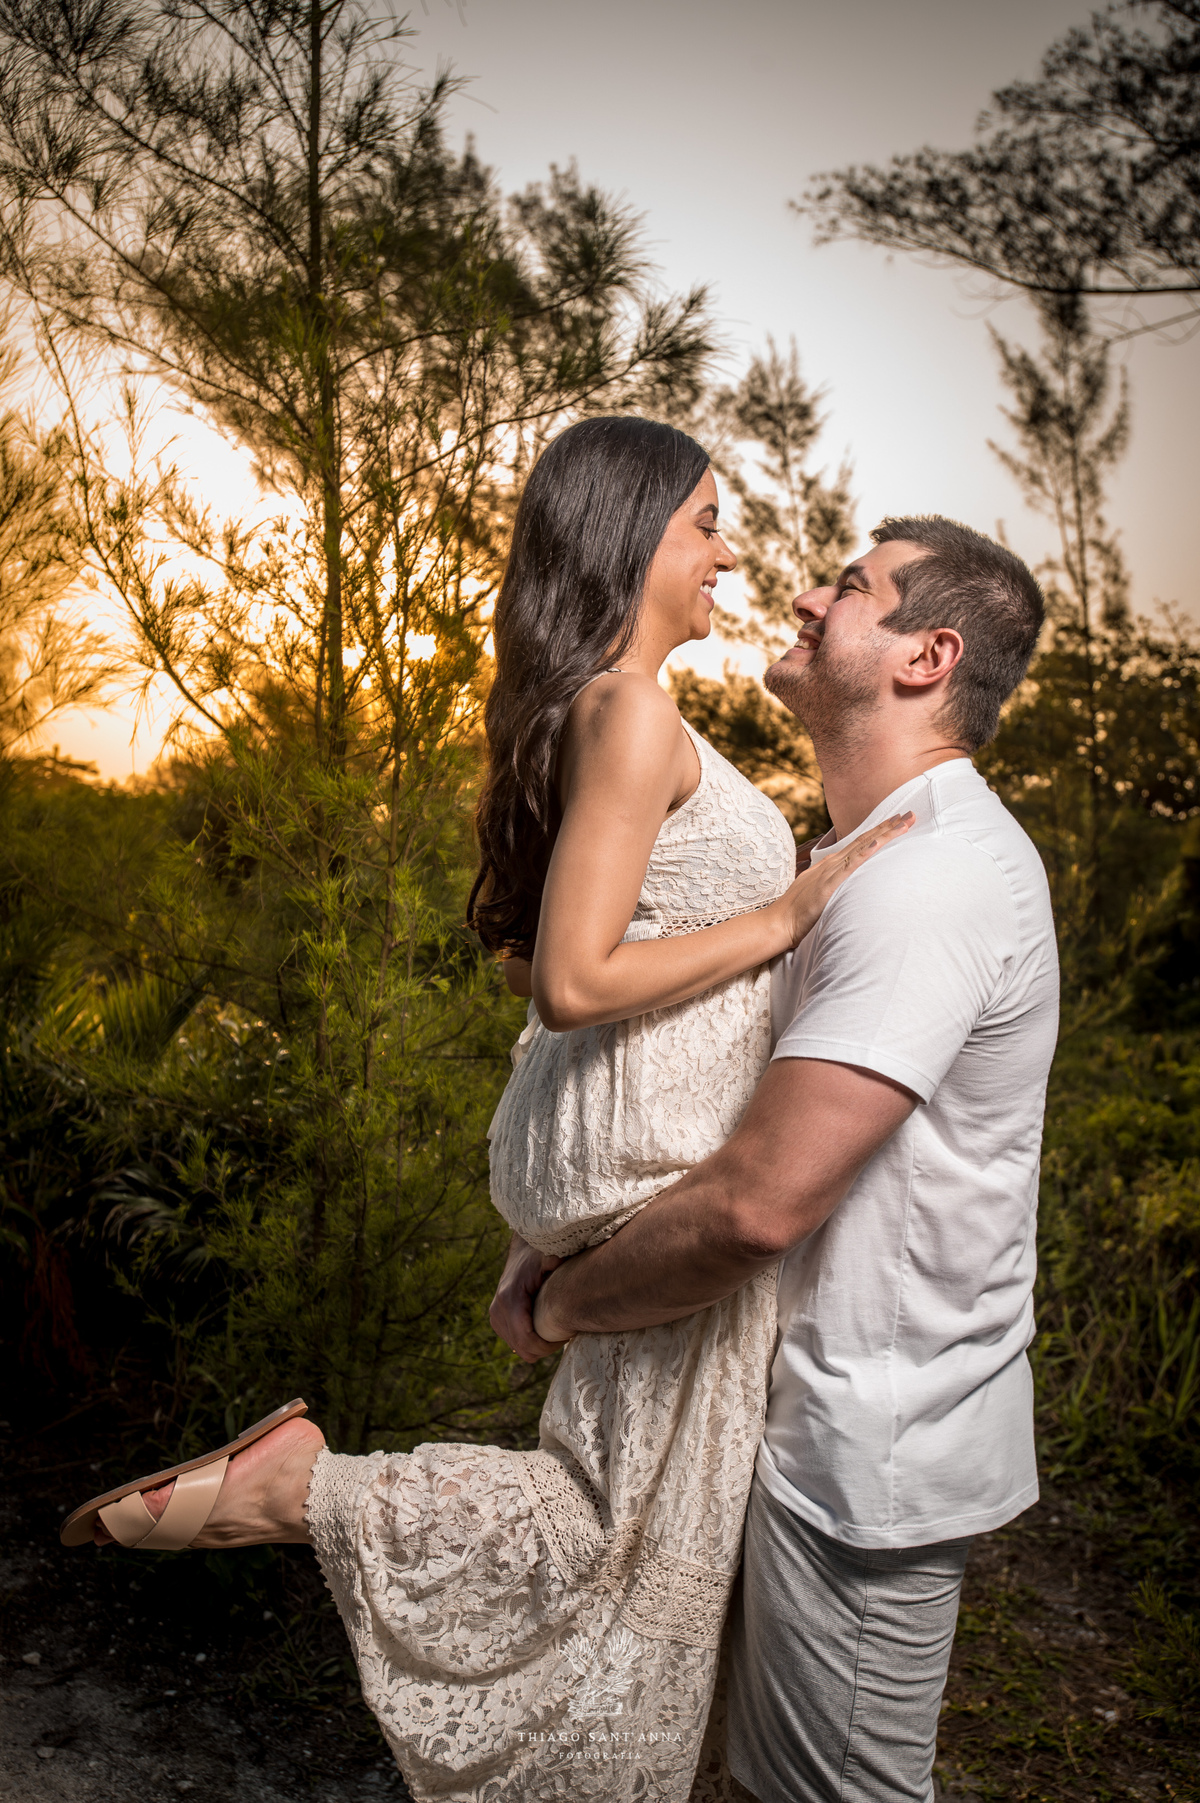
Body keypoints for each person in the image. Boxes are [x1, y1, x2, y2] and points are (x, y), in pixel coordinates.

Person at [60, 417, 910, 1803]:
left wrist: (561, 1195)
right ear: (632, 535)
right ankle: (303, 1489)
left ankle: (319, 1502)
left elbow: (524, 956)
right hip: (660, 1168)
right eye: (704, 519)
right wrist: (784, 914)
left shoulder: (601, 709)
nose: (727, 548)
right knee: (614, 1539)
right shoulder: (629, 711)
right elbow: (575, 980)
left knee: (635, 1541)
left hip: (625, 1157)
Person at [506, 514, 1059, 1803]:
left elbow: (756, 1207)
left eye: (851, 589)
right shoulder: (856, 864)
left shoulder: (933, 881)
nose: (807, 597)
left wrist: (565, 1305)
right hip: (781, 1417)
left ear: (928, 656)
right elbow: (713, 1102)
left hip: (861, 1460)